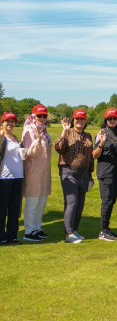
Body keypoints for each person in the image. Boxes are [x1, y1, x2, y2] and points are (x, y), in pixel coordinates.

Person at [54, 109, 94, 244]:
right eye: (77, 119)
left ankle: (74, 230)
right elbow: (58, 147)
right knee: (72, 202)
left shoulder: (87, 135)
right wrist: (64, 131)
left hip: (83, 173)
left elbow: (90, 157)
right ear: (73, 120)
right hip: (69, 171)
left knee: (80, 203)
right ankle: (68, 233)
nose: (79, 121)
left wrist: (90, 174)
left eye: (82, 119)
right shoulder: (68, 133)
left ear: (85, 120)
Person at [93, 108, 117, 242]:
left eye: (114, 118)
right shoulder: (102, 134)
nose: (112, 121)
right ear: (106, 120)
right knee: (107, 201)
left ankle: (107, 228)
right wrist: (101, 144)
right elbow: (95, 155)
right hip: (106, 172)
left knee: (112, 201)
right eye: (109, 119)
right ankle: (103, 231)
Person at [22, 104, 52, 242]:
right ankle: (28, 231)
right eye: (39, 116)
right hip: (33, 170)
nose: (41, 118)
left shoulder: (44, 132)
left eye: (44, 116)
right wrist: (38, 141)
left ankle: (36, 228)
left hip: (44, 171)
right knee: (32, 201)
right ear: (33, 116)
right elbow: (30, 153)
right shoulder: (29, 131)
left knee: (42, 201)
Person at [0, 111, 24, 245]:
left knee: (15, 208)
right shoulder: (2, 137)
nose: (10, 124)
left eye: (12, 121)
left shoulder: (14, 137)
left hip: (18, 176)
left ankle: (12, 236)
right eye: (7, 121)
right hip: (4, 177)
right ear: (2, 123)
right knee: (2, 208)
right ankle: (1, 237)